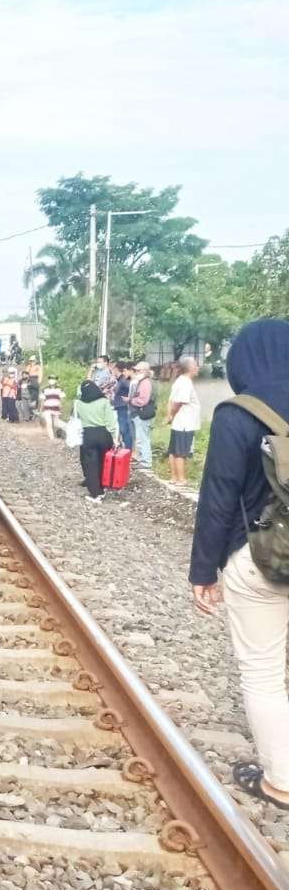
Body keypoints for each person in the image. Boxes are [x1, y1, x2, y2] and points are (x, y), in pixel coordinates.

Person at [189, 319, 289, 810]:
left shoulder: (241, 412)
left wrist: (203, 571)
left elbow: (218, 499)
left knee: (264, 673)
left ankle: (281, 781)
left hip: (265, 562)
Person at [74, 379, 117, 502]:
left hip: (88, 434)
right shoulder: (104, 401)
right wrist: (115, 437)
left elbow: (76, 418)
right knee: (103, 462)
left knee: (90, 465)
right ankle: (102, 488)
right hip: (104, 434)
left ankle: (95, 493)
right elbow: (110, 422)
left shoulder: (79, 403)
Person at [167, 354, 203, 484]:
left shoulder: (179, 380)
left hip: (179, 422)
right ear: (191, 367)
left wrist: (170, 416)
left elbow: (170, 400)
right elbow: (178, 402)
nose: (198, 368)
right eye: (196, 365)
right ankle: (181, 479)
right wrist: (172, 414)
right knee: (181, 452)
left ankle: (174, 477)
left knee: (174, 450)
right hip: (185, 423)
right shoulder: (185, 383)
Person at [129, 360, 156, 468]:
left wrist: (131, 401)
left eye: (137, 370)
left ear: (144, 371)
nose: (135, 372)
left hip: (143, 412)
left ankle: (146, 461)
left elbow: (143, 400)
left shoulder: (146, 383)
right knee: (141, 437)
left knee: (143, 438)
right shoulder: (144, 381)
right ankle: (142, 459)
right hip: (141, 411)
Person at [112, 362, 133, 450]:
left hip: (123, 407)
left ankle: (128, 448)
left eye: (113, 369)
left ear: (117, 369)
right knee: (122, 428)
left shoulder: (123, 380)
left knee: (124, 429)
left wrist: (129, 398)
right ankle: (126, 447)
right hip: (120, 406)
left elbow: (131, 389)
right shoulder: (119, 380)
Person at [40, 374, 64, 442]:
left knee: (56, 424)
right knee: (49, 423)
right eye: (51, 379)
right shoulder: (44, 389)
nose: (52, 380)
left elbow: (62, 399)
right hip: (47, 408)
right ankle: (52, 437)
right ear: (48, 380)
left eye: (53, 379)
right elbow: (42, 400)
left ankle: (55, 435)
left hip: (56, 409)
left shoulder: (60, 389)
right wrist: (41, 409)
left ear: (56, 380)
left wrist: (61, 407)